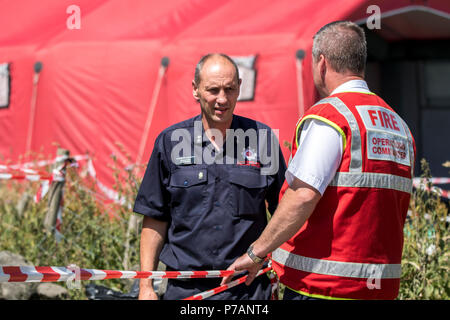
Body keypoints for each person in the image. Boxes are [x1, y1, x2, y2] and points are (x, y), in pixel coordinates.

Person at [222, 21, 416, 300]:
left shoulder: (331, 117)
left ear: (321, 63)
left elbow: (302, 195)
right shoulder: (398, 125)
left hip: (324, 287)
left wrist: (257, 252)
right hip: (379, 289)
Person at [134, 53, 286, 300]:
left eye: (230, 89)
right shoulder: (170, 142)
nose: (222, 99)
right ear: (195, 90)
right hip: (185, 287)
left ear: (239, 89)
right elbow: (155, 217)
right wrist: (146, 285)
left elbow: (286, 211)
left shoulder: (263, 140)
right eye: (213, 90)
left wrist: (267, 259)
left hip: (247, 289)